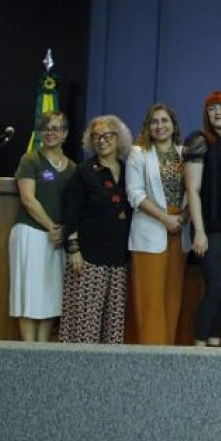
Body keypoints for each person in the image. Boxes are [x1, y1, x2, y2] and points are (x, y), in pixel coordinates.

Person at [60, 115, 133, 343]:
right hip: (88, 258)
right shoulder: (84, 171)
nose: (102, 140)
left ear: (118, 138)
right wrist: (73, 249)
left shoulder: (128, 169)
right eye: (96, 136)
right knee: (84, 324)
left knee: (113, 326)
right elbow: (70, 213)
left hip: (118, 259)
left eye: (107, 135)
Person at [126, 103, 191, 345]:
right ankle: (150, 354)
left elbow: (194, 192)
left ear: (173, 125)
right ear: (148, 126)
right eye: (155, 121)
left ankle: (169, 354)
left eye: (165, 120)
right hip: (151, 231)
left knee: (173, 298)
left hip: (179, 232)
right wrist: (165, 219)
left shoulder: (185, 153)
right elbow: (135, 194)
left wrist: (183, 218)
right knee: (150, 299)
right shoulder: (138, 153)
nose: (160, 125)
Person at [9, 111, 75, 341]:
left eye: (56, 128)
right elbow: (28, 199)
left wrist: (62, 232)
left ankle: (43, 351)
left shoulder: (73, 168)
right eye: (45, 128)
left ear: (65, 134)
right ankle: (29, 353)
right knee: (29, 294)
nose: (50, 133)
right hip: (32, 233)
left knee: (49, 296)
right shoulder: (31, 159)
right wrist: (51, 227)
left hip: (57, 239)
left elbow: (73, 206)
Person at [183, 91, 221, 347]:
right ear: (206, 114)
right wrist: (199, 231)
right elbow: (193, 190)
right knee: (216, 286)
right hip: (209, 227)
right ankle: (198, 347)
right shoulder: (199, 141)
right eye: (212, 108)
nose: (218, 112)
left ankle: (214, 346)